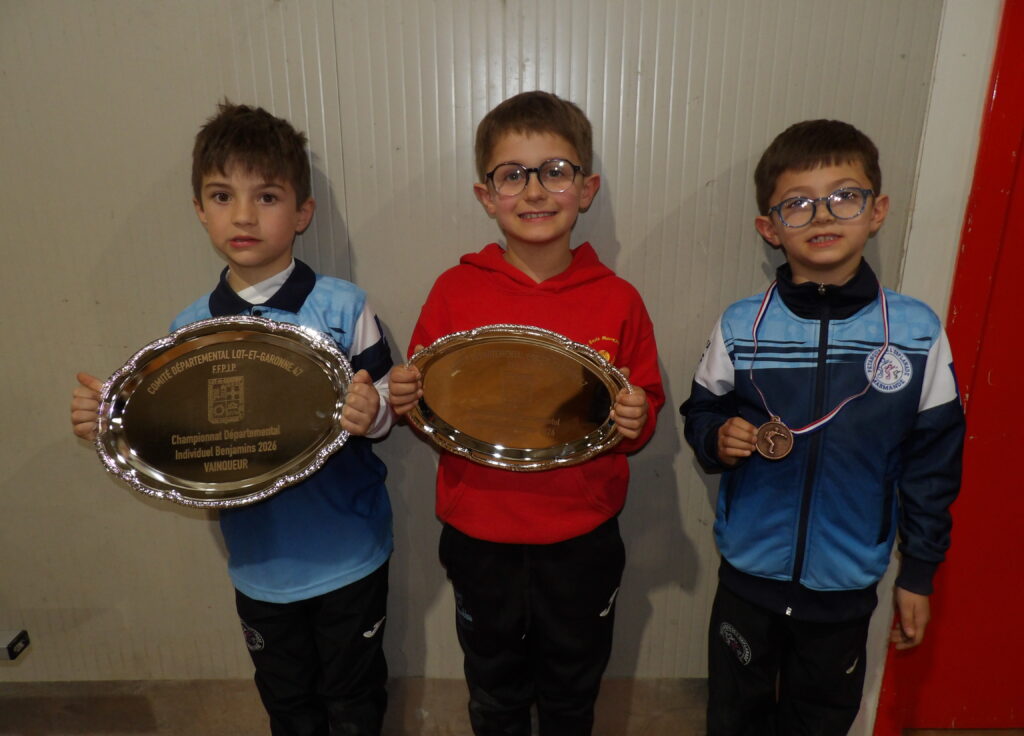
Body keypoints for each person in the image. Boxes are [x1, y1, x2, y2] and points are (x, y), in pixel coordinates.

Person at [69, 102, 395, 736]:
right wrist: (110, 422)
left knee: (355, 704)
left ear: (302, 212)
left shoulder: (343, 306)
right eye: (223, 196)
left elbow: (386, 409)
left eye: (266, 196)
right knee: (288, 707)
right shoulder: (189, 329)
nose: (243, 215)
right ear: (199, 209)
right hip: (258, 565)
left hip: (350, 555)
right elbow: (176, 441)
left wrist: (371, 410)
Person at [388, 90, 665, 736]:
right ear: (486, 196)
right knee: (494, 690)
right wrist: (405, 399)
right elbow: (429, 401)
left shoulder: (619, 300)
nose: (535, 191)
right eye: (513, 175)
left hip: (582, 537)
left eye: (555, 171)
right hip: (480, 534)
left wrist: (635, 418)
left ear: (586, 189)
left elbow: (644, 407)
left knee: (573, 692)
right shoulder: (454, 292)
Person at [680, 119, 965, 735]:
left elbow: (933, 466)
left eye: (844, 196)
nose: (822, 215)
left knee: (822, 721)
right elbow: (700, 412)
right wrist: (717, 438)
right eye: (798, 204)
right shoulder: (741, 326)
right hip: (749, 579)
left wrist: (918, 573)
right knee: (733, 718)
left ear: (876, 210)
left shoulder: (916, 333)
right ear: (770, 228)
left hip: (845, 585)